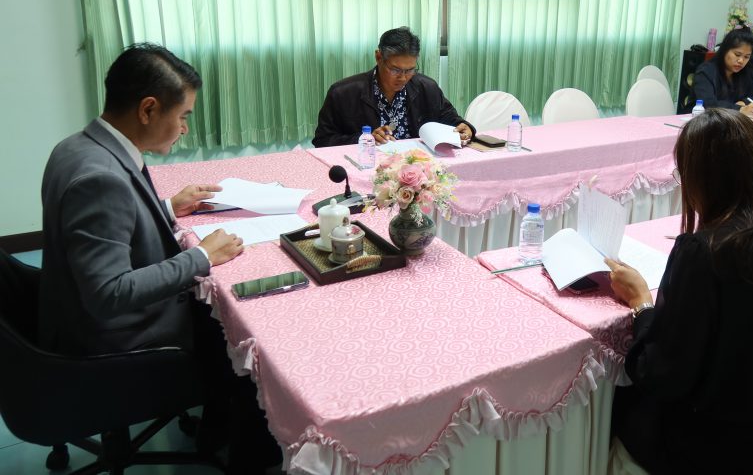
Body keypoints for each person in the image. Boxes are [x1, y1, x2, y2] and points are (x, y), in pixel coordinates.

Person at [39, 43, 279, 473]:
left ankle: (217, 428)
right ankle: (245, 453)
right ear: (148, 109)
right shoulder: (100, 178)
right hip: (110, 342)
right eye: (183, 115)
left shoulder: (77, 147)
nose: (184, 129)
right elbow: (109, 294)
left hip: (66, 311)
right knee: (252, 347)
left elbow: (111, 228)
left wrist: (167, 208)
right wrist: (201, 255)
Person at [605, 109, 753, 474]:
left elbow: (661, 373)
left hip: (714, 451)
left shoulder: (706, 252)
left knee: (612, 404)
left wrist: (641, 304)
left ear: (698, 178)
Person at [312, 26, 475, 147]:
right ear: (378, 57)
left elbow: (450, 119)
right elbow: (322, 140)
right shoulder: (343, 93)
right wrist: (365, 139)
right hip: (370, 167)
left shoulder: (427, 87)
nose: (403, 78)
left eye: (410, 70)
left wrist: (465, 127)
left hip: (418, 168)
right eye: (395, 70)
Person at [689, 27, 753, 116]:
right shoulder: (706, 71)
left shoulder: (746, 72)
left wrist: (744, 102)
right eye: (737, 54)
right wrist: (740, 109)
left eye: (746, 57)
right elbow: (708, 104)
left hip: (730, 119)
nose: (741, 61)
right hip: (698, 119)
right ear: (725, 51)